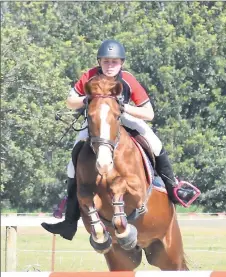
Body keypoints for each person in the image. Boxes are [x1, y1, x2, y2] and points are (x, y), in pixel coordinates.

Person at [42, 39, 199, 240]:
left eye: (114, 62)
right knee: (72, 163)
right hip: (97, 123)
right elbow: (70, 101)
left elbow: (149, 113)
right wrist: (87, 100)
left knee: (155, 143)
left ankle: (173, 187)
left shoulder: (128, 80)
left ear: (121, 63)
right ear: (99, 61)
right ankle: (70, 219)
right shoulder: (89, 75)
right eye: (106, 61)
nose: (110, 66)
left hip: (124, 118)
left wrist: (124, 108)